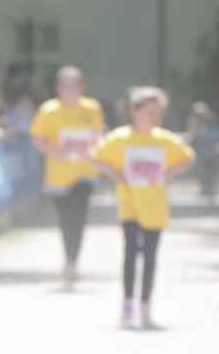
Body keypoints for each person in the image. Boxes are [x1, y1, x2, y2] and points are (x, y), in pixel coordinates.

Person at [92, 87, 195, 329]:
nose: (155, 118)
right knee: (129, 252)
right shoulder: (120, 138)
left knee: (149, 257)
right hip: (129, 205)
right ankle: (127, 302)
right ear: (134, 112)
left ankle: (145, 304)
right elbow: (96, 157)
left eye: (158, 113)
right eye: (150, 113)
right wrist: (116, 173)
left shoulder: (164, 139)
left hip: (155, 207)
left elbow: (189, 157)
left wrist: (169, 173)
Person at [29, 66, 104, 286]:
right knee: (65, 219)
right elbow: (37, 137)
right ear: (58, 88)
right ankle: (68, 257)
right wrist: (53, 151)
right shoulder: (49, 110)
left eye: (74, 85)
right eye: (65, 85)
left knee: (78, 215)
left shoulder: (92, 108)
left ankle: (72, 261)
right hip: (58, 176)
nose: (70, 89)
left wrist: (96, 148)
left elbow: (98, 134)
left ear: (83, 87)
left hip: (85, 172)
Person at [186, 101, 219, 203]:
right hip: (202, 155)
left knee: (212, 174)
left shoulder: (212, 124)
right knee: (202, 174)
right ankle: (205, 190)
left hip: (212, 155)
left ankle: (211, 192)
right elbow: (192, 139)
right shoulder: (195, 125)